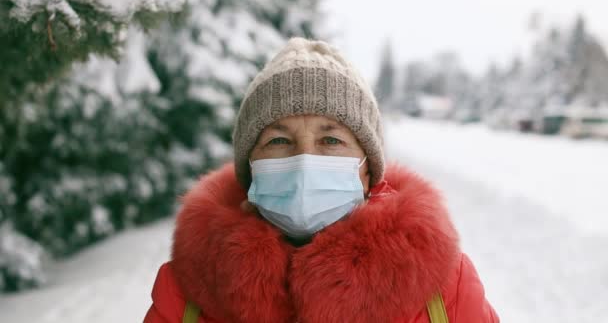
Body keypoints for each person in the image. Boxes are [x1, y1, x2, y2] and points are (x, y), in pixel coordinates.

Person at [144, 37, 499, 323]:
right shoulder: (188, 291)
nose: (304, 161)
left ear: (367, 169)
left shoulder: (445, 290)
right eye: (279, 141)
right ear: (250, 166)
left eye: (331, 140)